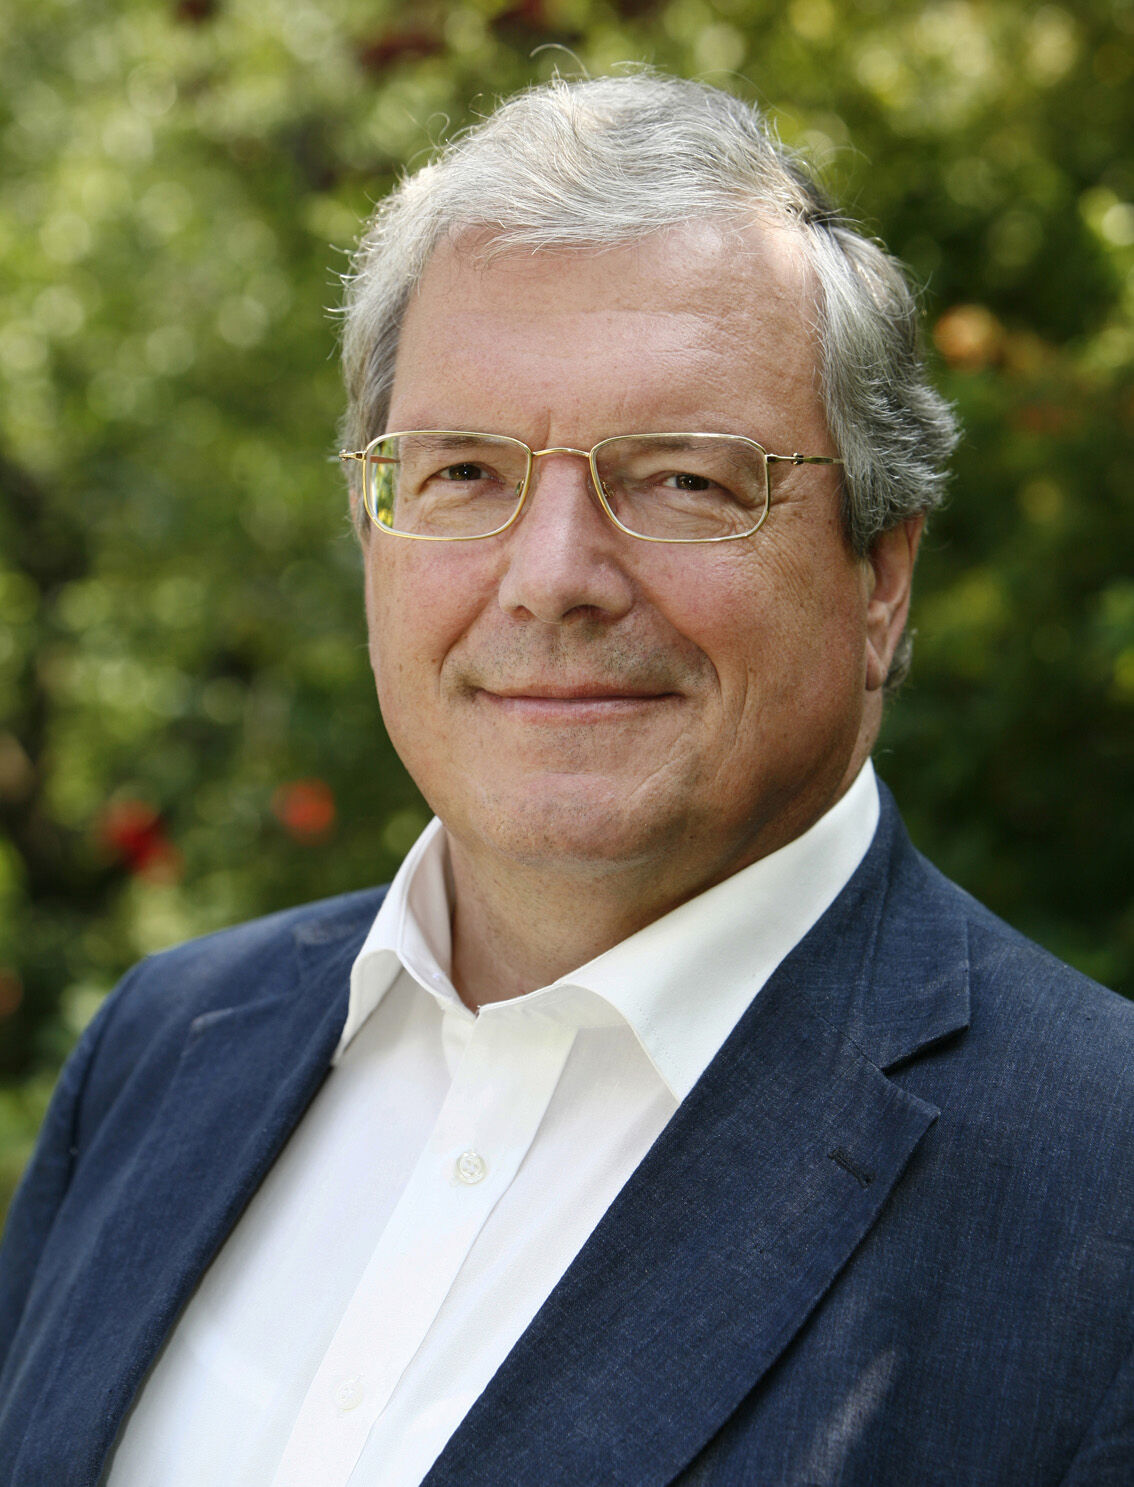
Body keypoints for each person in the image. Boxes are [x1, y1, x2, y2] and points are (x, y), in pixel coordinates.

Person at [0, 71, 1130, 1487]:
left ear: (879, 581)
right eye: (464, 472)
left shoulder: (1100, 1197)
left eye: (680, 480)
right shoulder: (165, 1048)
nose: (551, 581)